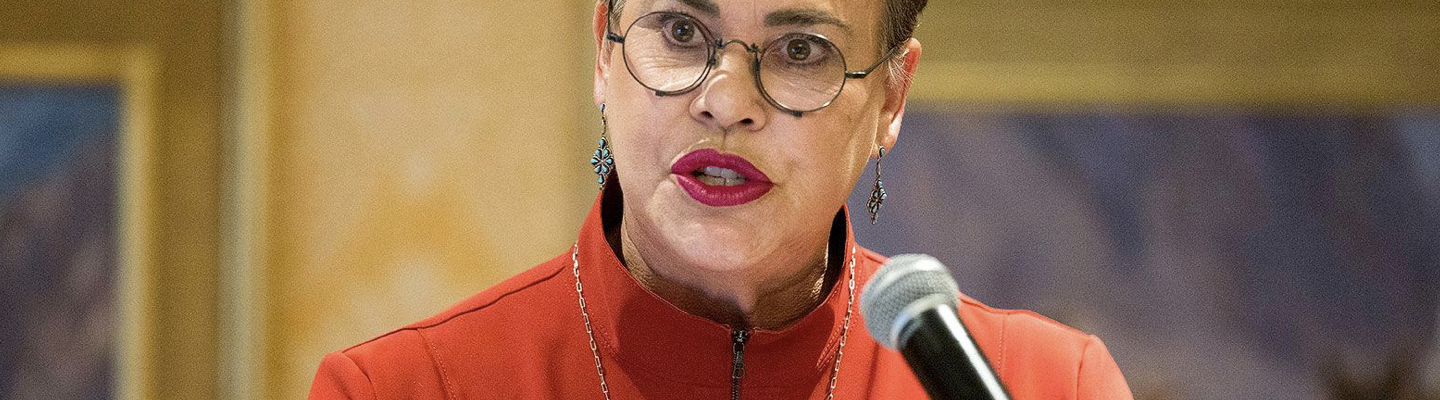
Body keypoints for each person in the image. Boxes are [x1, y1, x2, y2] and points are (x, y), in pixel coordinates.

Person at [308, 0, 1134, 398]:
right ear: (603, 53)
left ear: (891, 96)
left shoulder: (1046, 385)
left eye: (800, 50)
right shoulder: (406, 390)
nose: (727, 100)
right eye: (680, 32)